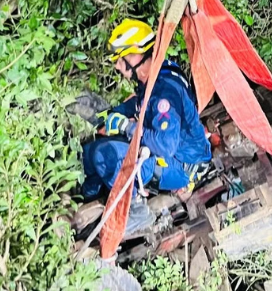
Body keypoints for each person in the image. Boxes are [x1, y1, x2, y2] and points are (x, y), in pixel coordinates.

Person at [81, 18, 213, 212]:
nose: (117, 66)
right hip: (170, 149)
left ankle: (135, 210)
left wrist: (126, 127)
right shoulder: (154, 74)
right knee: (90, 152)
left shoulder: (164, 93)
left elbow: (165, 145)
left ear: (135, 56)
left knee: (106, 154)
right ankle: (86, 195)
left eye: (120, 59)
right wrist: (115, 114)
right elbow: (141, 103)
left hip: (181, 164)